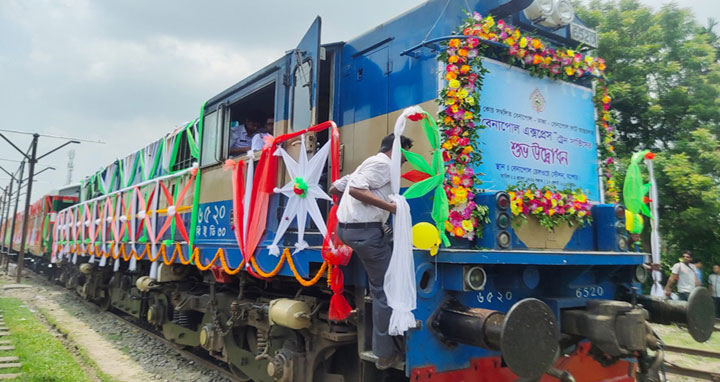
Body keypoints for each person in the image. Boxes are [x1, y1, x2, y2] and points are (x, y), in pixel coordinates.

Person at [329, 133, 413, 370]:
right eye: (404, 156)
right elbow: (355, 189)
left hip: (347, 230)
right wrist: (390, 207)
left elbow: (335, 187)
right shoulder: (382, 164)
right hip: (364, 233)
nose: (404, 162)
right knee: (385, 287)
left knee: (384, 277)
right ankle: (385, 354)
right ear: (395, 150)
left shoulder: (368, 164)